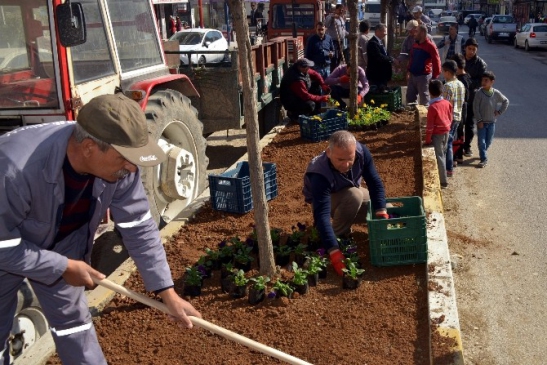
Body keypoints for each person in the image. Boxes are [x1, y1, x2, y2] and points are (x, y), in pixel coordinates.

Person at [0, 94, 202, 364]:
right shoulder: (13, 169)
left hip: (63, 242)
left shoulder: (121, 170)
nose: (132, 167)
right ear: (88, 148)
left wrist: (167, 293)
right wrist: (61, 267)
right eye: (124, 158)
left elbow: (139, 227)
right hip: (6, 244)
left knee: (74, 327)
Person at [302, 131, 388, 276]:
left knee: (379, 205)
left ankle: (348, 223)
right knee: (354, 196)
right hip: (327, 198)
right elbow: (321, 213)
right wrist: (334, 252)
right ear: (329, 152)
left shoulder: (362, 153)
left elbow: (374, 182)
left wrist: (381, 212)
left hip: (349, 190)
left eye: (350, 159)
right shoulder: (319, 173)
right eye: (340, 159)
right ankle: (337, 236)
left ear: (355, 150)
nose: (346, 164)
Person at [473, 71, 509, 168]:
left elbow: (505, 101)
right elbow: (475, 108)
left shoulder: (496, 93)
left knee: (488, 141)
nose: (483, 82)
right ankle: (483, 159)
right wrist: (479, 120)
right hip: (482, 123)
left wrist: (499, 112)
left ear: (492, 82)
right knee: (482, 141)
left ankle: (483, 151)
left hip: (492, 122)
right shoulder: (479, 93)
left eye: (486, 80)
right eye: (482, 80)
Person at [462, 38, 487, 157]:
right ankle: (457, 146)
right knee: (457, 123)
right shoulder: (458, 60)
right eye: (469, 49)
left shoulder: (480, 63)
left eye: (474, 49)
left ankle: (467, 146)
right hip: (457, 97)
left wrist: (468, 83)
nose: (471, 51)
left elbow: (482, 81)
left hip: (472, 97)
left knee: (469, 123)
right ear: (465, 48)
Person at [425, 79, 452, 189]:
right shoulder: (447, 103)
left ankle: (443, 181)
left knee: (439, 156)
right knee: (443, 153)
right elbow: (450, 118)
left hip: (437, 134)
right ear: (441, 91)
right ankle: (445, 174)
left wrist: (427, 140)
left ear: (430, 92)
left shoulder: (432, 107)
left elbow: (430, 126)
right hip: (446, 131)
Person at [441, 60, 466, 177]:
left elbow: (445, 105)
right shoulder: (460, 84)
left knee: (447, 143)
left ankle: (448, 168)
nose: (442, 74)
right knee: (450, 141)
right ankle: (449, 168)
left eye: (443, 71)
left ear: (447, 72)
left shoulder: (447, 86)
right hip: (457, 116)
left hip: (448, 118)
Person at [406, 24, 441, 105]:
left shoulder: (430, 46)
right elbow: (411, 58)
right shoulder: (415, 44)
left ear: (422, 33)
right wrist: (408, 71)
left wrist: (435, 77)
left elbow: (437, 61)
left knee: (425, 101)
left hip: (423, 77)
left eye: (416, 31)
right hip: (412, 76)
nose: (414, 33)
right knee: (410, 98)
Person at [450, 53, 472, 165]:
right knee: (459, 132)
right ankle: (458, 156)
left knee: (456, 133)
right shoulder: (467, 77)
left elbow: (465, 97)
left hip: (459, 109)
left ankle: (455, 157)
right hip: (463, 109)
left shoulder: (461, 81)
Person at [366, 23, 397, 92]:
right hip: (376, 75)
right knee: (377, 93)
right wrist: (391, 59)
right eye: (384, 31)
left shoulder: (379, 42)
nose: (385, 34)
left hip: (382, 75)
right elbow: (379, 57)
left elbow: (385, 54)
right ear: (377, 31)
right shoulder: (372, 43)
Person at [325, 4, 348, 72]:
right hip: (333, 41)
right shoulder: (330, 17)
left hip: (341, 41)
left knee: (340, 57)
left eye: (342, 10)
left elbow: (343, 30)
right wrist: (332, 17)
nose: (341, 11)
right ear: (336, 10)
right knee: (334, 57)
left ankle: (336, 70)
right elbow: (326, 24)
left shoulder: (341, 19)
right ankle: (332, 72)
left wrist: (349, 35)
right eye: (340, 10)